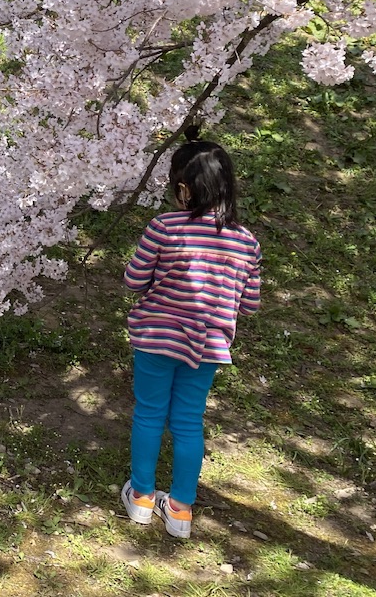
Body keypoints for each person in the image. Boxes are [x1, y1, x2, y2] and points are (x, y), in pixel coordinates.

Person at [119, 134, 262, 539]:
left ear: (182, 188)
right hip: (209, 346)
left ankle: (143, 498)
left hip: (157, 338)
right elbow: (249, 304)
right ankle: (180, 509)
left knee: (149, 413)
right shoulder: (246, 242)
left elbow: (133, 280)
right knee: (187, 422)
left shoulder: (164, 227)